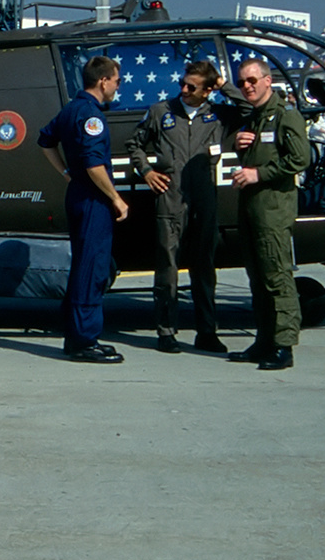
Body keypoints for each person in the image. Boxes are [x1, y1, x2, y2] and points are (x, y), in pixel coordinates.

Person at [126, 60, 237, 354]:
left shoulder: (218, 115)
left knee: (204, 266)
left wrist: (224, 86)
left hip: (204, 198)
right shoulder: (161, 112)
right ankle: (166, 331)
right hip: (170, 197)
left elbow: (251, 110)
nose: (184, 90)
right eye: (182, 84)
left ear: (207, 91)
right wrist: (147, 171)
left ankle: (207, 331)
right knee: (167, 266)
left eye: (192, 86)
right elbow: (134, 145)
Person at [38, 55, 129, 363]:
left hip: (77, 193)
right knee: (93, 268)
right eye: (117, 80)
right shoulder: (90, 116)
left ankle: (76, 334)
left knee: (83, 266)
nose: (118, 85)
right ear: (103, 81)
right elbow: (93, 165)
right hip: (92, 199)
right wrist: (116, 198)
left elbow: (45, 140)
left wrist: (65, 173)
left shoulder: (70, 110)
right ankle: (84, 340)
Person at [227, 59, 311, 371]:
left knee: (277, 276)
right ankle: (264, 340)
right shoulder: (256, 118)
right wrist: (238, 145)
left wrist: (259, 174)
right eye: (242, 82)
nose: (246, 86)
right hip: (251, 208)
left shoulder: (286, 115)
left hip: (273, 209)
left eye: (251, 80)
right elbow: (258, 154)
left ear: (267, 80)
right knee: (257, 279)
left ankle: (283, 345)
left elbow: (300, 159)